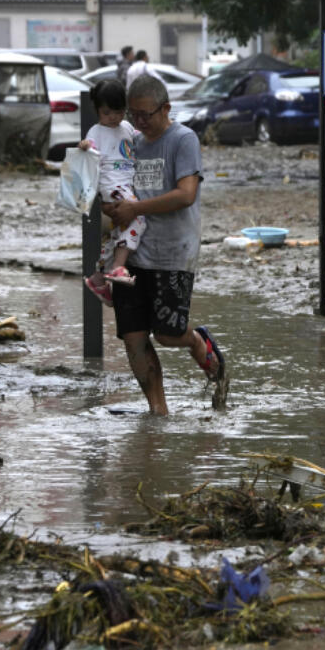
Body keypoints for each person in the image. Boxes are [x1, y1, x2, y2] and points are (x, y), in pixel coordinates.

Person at [104, 74, 229, 414]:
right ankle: (157, 414)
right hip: (131, 255)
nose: (140, 122)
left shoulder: (183, 139)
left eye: (146, 114)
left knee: (168, 334)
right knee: (133, 339)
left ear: (166, 108)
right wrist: (110, 205)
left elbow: (186, 194)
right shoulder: (132, 142)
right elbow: (115, 183)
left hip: (173, 252)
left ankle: (197, 341)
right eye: (134, 115)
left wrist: (136, 208)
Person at [78, 79, 147, 305]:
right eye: (107, 112)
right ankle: (118, 267)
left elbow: (141, 139)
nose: (113, 117)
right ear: (98, 110)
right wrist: (85, 146)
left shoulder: (126, 127)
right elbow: (88, 146)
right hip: (112, 186)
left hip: (127, 184)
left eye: (118, 112)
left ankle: (98, 279)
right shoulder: (96, 131)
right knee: (138, 216)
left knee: (116, 233)